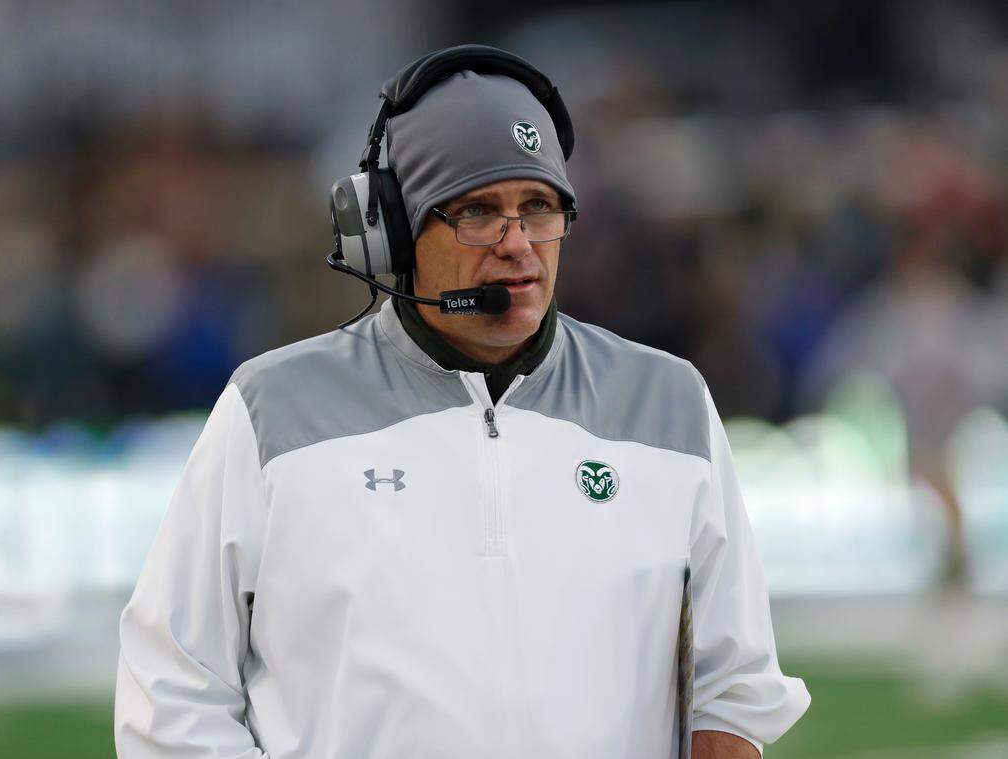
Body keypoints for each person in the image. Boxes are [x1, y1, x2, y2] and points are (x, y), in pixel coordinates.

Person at [115, 45, 810, 759]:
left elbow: (733, 685)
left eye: (539, 208)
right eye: (479, 211)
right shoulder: (270, 412)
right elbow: (172, 686)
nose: (519, 246)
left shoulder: (670, 403)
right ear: (392, 230)